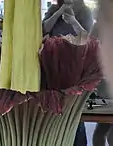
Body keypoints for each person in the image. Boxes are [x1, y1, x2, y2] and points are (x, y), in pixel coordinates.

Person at [42, 0, 93, 146]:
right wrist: (58, 13)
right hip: (52, 64)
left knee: (73, 110)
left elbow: (88, 37)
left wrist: (73, 20)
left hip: (75, 65)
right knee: (55, 108)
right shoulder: (53, 9)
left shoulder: (85, 11)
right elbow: (42, 29)